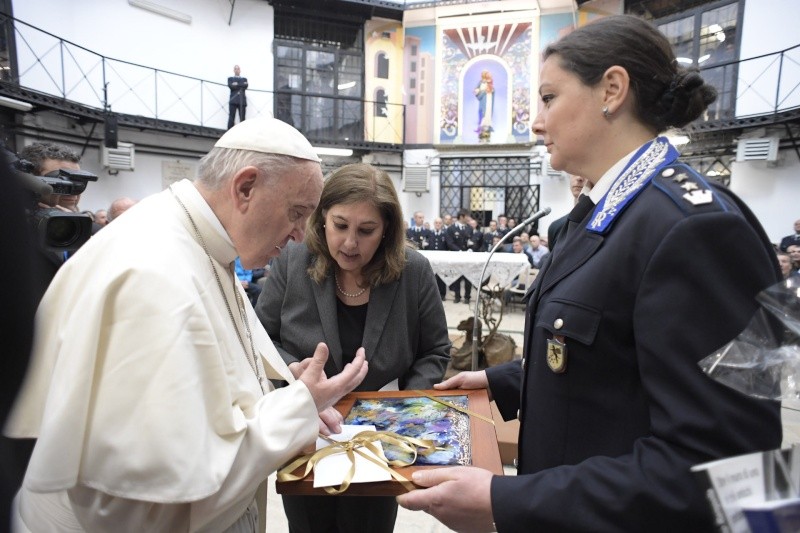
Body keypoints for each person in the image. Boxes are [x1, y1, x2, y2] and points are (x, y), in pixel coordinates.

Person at [397, 15, 782, 532]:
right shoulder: (607, 214)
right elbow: (606, 360)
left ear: (612, 90)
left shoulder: (693, 228)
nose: (537, 122)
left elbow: (725, 467)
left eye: (549, 98)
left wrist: (506, 501)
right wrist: (499, 381)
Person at [4, 117, 369, 532]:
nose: (300, 235)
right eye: (297, 213)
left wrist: (281, 395)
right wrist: (297, 410)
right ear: (245, 188)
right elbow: (138, 509)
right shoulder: (153, 275)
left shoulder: (200, 240)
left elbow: (214, 400)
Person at [256, 162, 450, 533]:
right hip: (307, 430)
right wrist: (292, 371)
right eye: (340, 225)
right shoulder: (293, 260)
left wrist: (402, 411)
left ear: (387, 229)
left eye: (366, 231)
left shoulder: (413, 270)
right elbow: (262, 339)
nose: (349, 243)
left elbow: (435, 351)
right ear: (321, 219)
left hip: (381, 438)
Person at [18, 142, 87, 307]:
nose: (72, 190)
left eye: (78, 181)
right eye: (59, 180)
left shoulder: (89, 231)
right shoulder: (13, 232)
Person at [547, 173, 587, 251]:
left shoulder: (601, 223)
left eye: (585, 173)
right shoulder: (556, 227)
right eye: (574, 172)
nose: (579, 178)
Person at [445, 208, 475, 304]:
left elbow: (472, 241)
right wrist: (459, 251)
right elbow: (450, 243)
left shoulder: (469, 228)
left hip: (467, 257)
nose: (469, 218)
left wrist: (471, 248)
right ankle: (457, 296)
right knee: (456, 277)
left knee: (468, 277)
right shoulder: (451, 229)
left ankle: (467, 297)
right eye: (467, 216)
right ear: (462, 217)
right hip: (456, 256)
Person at [474, 69, 494, 142]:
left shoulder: (490, 82)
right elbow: (476, 90)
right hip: (483, 99)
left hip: (489, 98)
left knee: (488, 112)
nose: (489, 75)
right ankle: (482, 129)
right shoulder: (481, 82)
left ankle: (487, 129)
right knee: (482, 113)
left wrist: (491, 90)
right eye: (487, 74)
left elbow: (492, 90)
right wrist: (482, 91)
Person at [227, 64, 248, 129]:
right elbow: (231, 86)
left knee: (242, 118)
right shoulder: (230, 79)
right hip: (233, 100)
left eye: (238, 69)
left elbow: (245, 86)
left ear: (240, 70)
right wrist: (241, 84)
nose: (237, 70)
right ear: (233, 70)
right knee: (231, 118)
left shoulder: (244, 79)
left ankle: (243, 131)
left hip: (242, 101)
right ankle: (229, 131)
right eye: (235, 69)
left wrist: (236, 84)